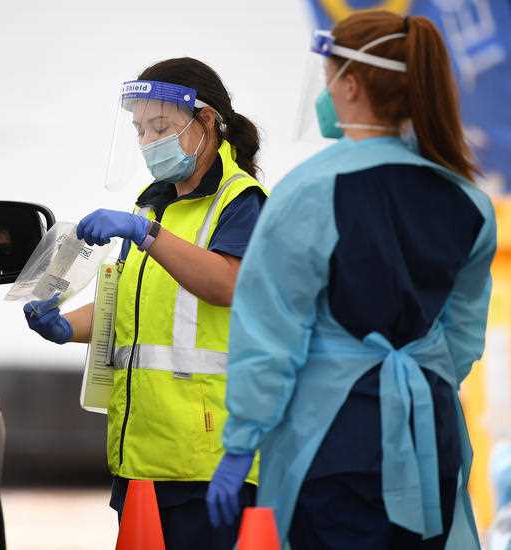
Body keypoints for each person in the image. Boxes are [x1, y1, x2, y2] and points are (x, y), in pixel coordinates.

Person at [206, 11, 496, 550]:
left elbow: (270, 333)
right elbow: (460, 341)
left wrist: (241, 441)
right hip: (429, 436)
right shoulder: (471, 202)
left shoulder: (310, 191)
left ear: (354, 84)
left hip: (334, 438)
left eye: (329, 78)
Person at [23, 58, 268, 549]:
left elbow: (227, 284)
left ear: (205, 123)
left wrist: (147, 234)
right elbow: (131, 308)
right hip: (140, 456)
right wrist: (66, 326)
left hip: (206, 461)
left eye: (160, 127)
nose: (147, 141)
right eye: (139, 129)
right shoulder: (150, 203)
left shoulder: (241, 202)